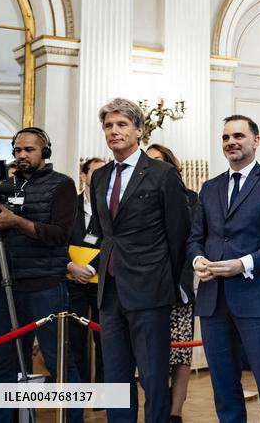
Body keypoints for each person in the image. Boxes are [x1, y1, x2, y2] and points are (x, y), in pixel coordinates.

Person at [188, 115, 260, 423]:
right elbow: (195, 238)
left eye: (238, 136)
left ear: (255, 141)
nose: (231, 142)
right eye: (225, 137)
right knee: (224, 389)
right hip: (213, 299)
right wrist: (198, 261)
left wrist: (243, 264)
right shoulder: (209, 187)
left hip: (257, 298)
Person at [89, 98, 191, 423]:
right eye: (108, 125)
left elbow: (179, 235)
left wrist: (166, 282)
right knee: (116, 377)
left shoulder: (162, 174)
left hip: (150, 290)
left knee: (153, 376)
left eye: (122, 124)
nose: (114, 131)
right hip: (109, 291)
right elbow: (104, 233)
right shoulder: (99, 176)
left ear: (139, 130)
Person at [0, 127, 84, 423]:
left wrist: (16, 221)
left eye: (29, 150)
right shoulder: (3, 187)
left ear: (44, 152)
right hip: (2, 285)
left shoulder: (62, 185)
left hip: (45, 287)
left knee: (59, 363)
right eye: (18, 150)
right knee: (3, 365)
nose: (22, 155)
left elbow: (60, 235)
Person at [145, 144, 197, 423]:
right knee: (148, 355)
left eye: (158, 160)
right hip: (145, 288)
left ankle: (175, 413)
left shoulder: (191, 197)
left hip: (178, 286)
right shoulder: (135, 196)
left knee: (180, 354)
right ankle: (159, 405)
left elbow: (192, 241)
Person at [67, 156, 106, 385]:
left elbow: (113, 241)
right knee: (75, 339)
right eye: (95, 172)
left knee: (104, 340)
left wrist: (91, 267)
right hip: (72, 281)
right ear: (83, 175)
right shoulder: (69, 204)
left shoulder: (111, 207)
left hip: (101, 281)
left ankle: (103, 392)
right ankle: (79, 391)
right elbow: (56, 238)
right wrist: (71, 266)